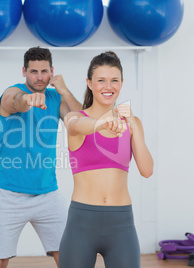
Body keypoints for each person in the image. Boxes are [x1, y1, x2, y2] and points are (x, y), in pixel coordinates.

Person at [0, 46, 82, 268]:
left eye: (44, 71)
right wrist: (27, 101)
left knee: (69, 256)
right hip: (8, 194)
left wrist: (65, 90)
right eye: (33, 71)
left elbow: (79, 123)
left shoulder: (55, 97)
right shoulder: (13, 91)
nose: (39, 77)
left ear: (52, 72)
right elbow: (14, 100)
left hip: (47, 194)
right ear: (24, 71)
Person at [59, 51, 153, 268]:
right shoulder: (77, 118)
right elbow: (76, 126)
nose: (107, 86)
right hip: (81, 224)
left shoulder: (132, 122)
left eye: (114, 80)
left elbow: (147, 170)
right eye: (101, 80)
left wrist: (132, 124)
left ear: (122, 83)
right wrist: (101, 123)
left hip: (121, 225)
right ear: (89, 83)